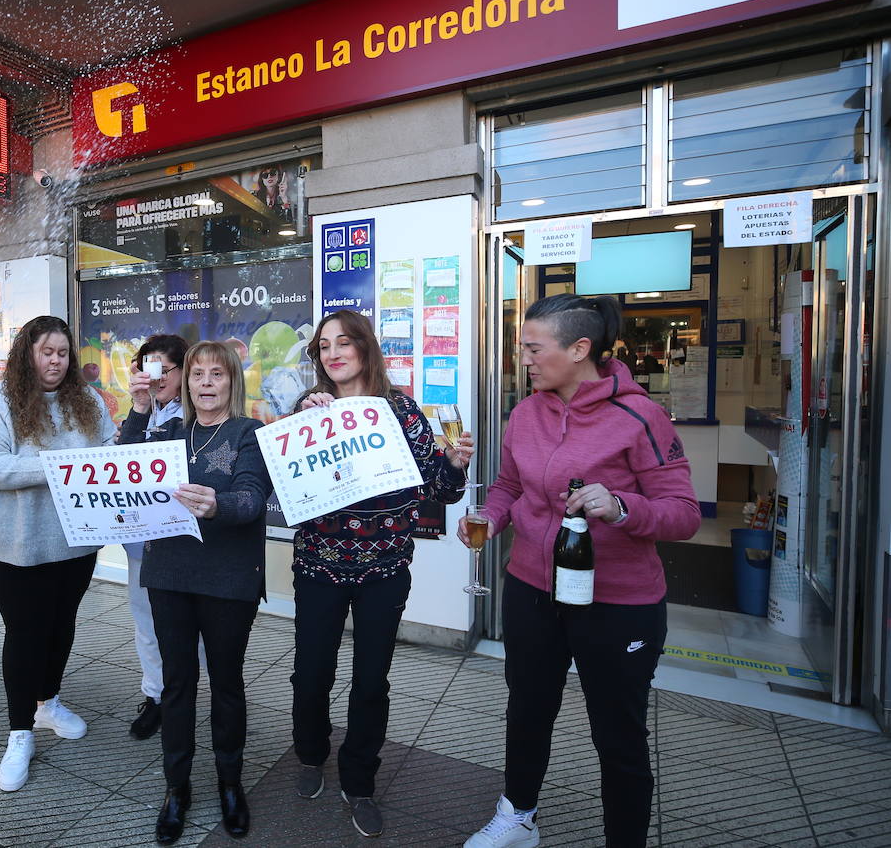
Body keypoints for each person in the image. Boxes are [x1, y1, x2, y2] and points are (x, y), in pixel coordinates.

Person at [459, 294, 699, 848]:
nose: (523, 358)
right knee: (527, 711)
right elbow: (510, 487)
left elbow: (683, 514)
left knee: (618, 735)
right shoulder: (525, 412)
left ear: (580, 349)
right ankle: (518, 818)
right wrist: (491, 519)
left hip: (617, 603)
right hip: (531, 590)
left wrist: (620, 507)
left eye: (533, 348)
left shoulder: (642, 416)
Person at [289, 309, 474, 838]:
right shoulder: (308, 411)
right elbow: (286, 486)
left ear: (366, 348)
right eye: (323, 346)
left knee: (371, 681)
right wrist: (306, 420)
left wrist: (456, 465)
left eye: (343, 342)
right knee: (311, 672)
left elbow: (439, 489)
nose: (332, 353)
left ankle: (360, 780)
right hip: (319, 566)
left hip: (385, 570)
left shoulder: (403, 411)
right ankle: (309, 754)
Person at [119, 341, 272, 844]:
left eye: (217, 375)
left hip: (229, 579)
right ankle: (176, 788)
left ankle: (230, 783)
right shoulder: (166, 431)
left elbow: (251, 498)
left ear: (232, 382)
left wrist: (217, 505)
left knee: (226, 683)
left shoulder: (250, 434)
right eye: (198, 374)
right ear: (185, 382)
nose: (206, 383)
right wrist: (139, 411)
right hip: (169, 576)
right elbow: (124, 470)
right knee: (177, 686)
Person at [0, 315, 117, 793]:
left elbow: (108, 447)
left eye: (63, 353)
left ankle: (47, 703)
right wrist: (59, 468)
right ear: (26, 354)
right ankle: (19, 732)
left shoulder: (86, 400)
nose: (55, 360)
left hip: (75, 542)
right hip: (14, 544)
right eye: (46, 351)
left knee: (61, 625)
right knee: (26, 633)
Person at [121, 334, 189, 741]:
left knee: (184, 625)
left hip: (182, 540)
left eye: (165, 368)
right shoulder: (140, 412)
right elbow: (122, 459)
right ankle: (156, 695)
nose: (156, 377)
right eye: (147, 368)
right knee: (145, 621)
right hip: (140, 542)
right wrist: (139, 407)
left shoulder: (198, 414)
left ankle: (184, 692)